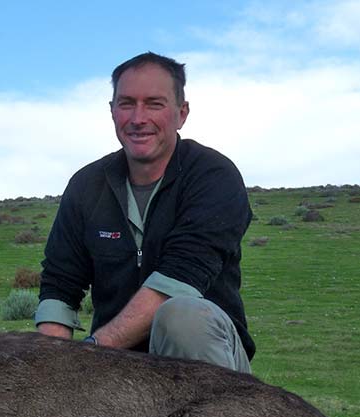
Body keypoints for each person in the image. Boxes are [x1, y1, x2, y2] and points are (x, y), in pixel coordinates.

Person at [35, 52, 255, 373]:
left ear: (182, 113)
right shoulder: (86, 185)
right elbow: (59, 287)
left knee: (183, 317)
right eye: (126, 103)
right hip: (118, 372)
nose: (138, 118)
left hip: (207, 369)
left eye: (154, 104)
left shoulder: (213, 175)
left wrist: (90, 355)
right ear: (112, 112)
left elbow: (178, 283)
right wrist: (49, 367)